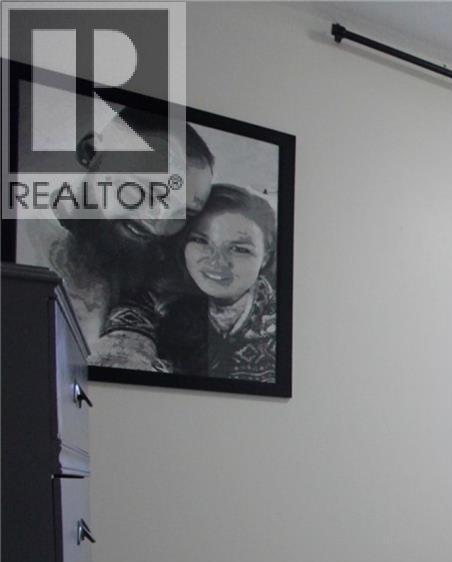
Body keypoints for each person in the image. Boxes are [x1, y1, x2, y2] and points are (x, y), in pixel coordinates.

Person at [44, 106, 217, 371]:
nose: (158, 222)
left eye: (184, 212)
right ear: (91, 152)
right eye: (146, 189)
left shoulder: (158, 281)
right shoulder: (24, 239)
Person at [159, 183, 278, 382]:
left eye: (239, 249)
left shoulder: (283, 326)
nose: (216, 261)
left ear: (266, 257)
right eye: (201, 241)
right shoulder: (157, 301)